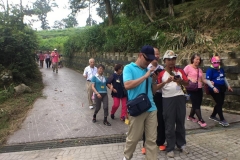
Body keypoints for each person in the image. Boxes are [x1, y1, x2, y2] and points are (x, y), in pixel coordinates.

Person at [123, 45, 158, 160]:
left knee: (152, 140)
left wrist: (153, 80)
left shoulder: (148, 71)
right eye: (147, 59)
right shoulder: (129, 68)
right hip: (137, 108)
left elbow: (153, 91)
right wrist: (145, 76)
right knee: (133, 138)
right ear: (140, 55)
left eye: (150, 60)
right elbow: (127, 85)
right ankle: (126, 157)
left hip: (151, 107)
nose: (148, 62)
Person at [157, 50, 189, 158]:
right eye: (169, 60)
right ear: (164, 61)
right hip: (167, 99)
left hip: (180, 98)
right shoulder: (161, 73)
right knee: (169, 124)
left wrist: (180, 81)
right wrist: (166, 82)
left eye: (173, 59)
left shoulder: (179, 71)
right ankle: (170, 147)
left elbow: (187, 83)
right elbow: (156, 88)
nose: (171, 62)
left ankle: (181, 144)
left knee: (180, 121)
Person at [141, 47, 165, 155]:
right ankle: (145, 144)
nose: (156, 56)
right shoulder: (146, 68)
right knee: (147, 120)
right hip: (148, 96)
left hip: (160, 95)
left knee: (160, 119)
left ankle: (160, 142)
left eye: (158, 54)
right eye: (154, 53)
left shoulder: (162, 68)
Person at [206, 55, 233, 126]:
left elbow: (224, 78)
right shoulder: (210, 70)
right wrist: (213, 87)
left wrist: (228, 86)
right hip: (215, 89)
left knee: (220, 103)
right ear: (212, 62)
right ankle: (222, 119)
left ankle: (213, 115)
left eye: (218, 62)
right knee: (219, 102)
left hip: (222, 88)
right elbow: (208, 80)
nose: (216, 64)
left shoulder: (221, 69)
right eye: (215, 62)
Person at [184, 54, 208, 128]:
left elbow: (203, 79)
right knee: (196, 104)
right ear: (192, 59)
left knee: (197, 104)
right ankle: (200, 120)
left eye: (199, 59)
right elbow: (183, 76)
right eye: (196, 59)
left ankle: (191, 116)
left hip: (199, 88)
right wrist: (190, 79)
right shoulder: (188, 67)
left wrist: (210, 83)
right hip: (191, 88)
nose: (198, 61)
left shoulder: (199, 70)